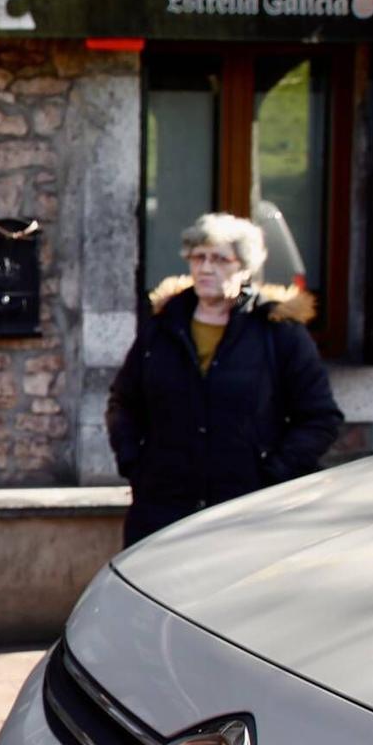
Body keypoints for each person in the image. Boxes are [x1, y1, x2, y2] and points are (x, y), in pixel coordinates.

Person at [107, 212, 345, 546]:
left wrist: (271, 474)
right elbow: (124, 402)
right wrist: (135, 462)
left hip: (246, 512)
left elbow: (320, 418)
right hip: (163, 507)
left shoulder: (278, 332)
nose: (205, 268)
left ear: (244, 267)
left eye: (219, 259)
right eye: (198, 257)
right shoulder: (163, 326)